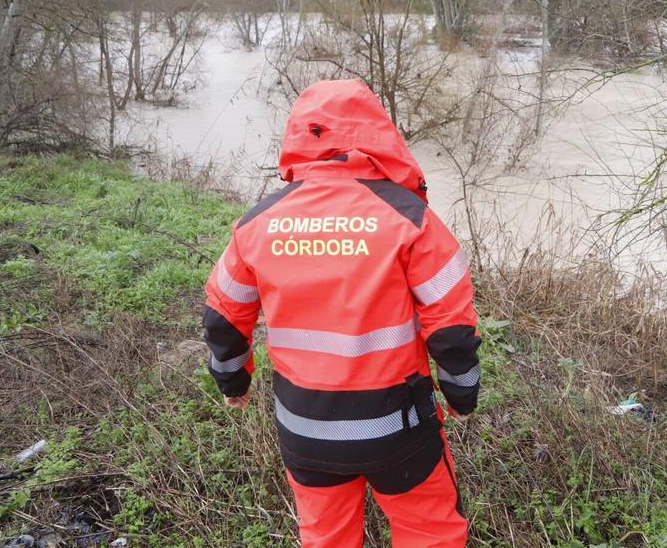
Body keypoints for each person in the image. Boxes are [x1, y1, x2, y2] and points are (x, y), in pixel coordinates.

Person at [202, 79, 480, 548]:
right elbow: (451, 326)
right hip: (399, 428)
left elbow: (223, 318)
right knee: (429, 532)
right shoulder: (410, 217)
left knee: (325, 539)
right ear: (377, 133)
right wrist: (461, 395)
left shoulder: (257, 223)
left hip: (305, 429)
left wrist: (234, 384)